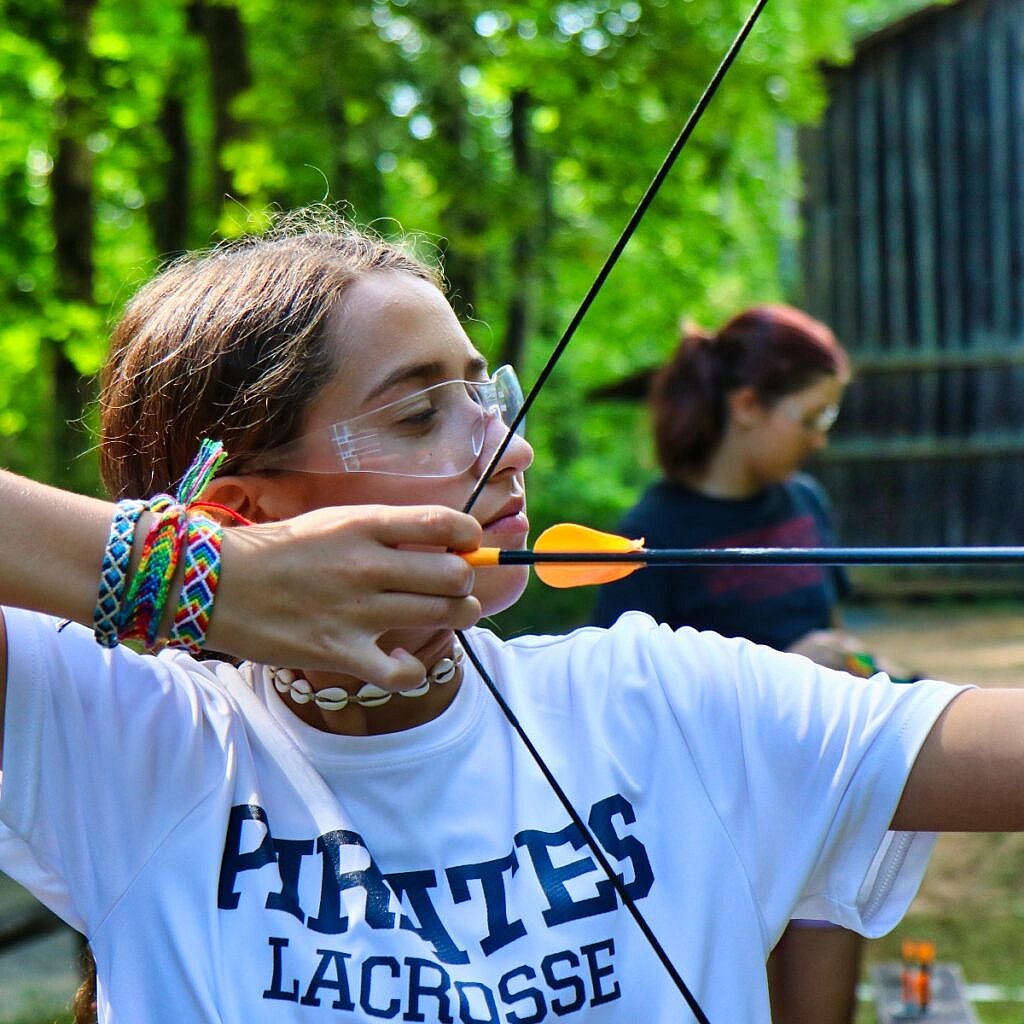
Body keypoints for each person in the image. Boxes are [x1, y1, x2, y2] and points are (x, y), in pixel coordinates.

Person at [0, 212, 1022, 1024]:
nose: (510, 447)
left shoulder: (658, 703)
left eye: (483, 392)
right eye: (417, 410)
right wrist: (206, 577)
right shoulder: (128, 735)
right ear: (246, 510)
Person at [590, 305, 910, 1024]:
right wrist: (785, 669)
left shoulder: (805, 504)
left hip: (824, 801)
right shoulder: (653, 536)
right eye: (811, 418)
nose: (821, 441)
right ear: (746, 407)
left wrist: (855, 663)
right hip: (719, 837)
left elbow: (827, 626)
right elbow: (620, 714)